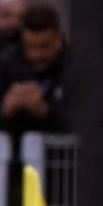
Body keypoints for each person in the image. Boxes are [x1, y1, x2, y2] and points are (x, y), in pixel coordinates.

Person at [0, 4, 68, 134]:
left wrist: (46, 111)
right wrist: (5, 110)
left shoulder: (72, 67)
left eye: (45, 46)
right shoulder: (7, 64)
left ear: (58, 39)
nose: (36, 55)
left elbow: (86, 120)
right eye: (30, 47)